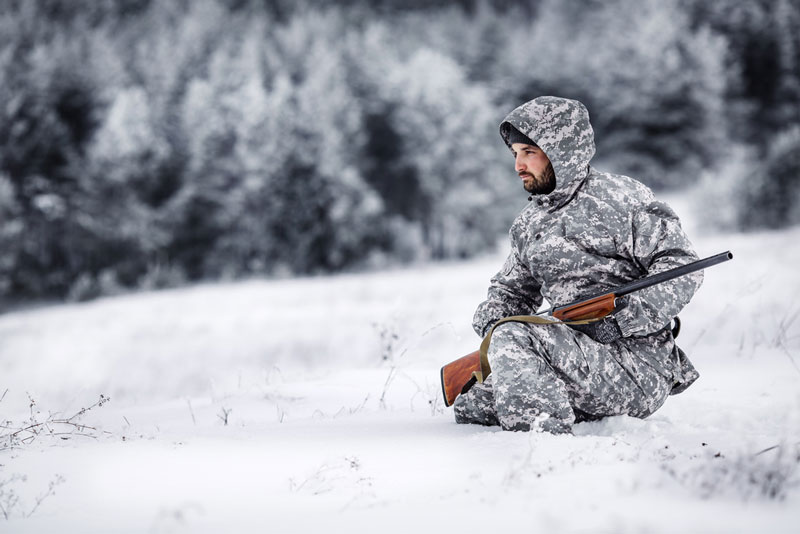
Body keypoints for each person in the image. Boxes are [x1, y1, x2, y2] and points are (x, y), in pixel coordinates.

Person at [453, 96, 703, 434]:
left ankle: (543, 447)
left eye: (529, 152)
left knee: (515, 350)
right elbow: (509, 293)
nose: (518, 166)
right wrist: (492, 324)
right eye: (515, 155)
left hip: (637, 365)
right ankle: (546, 414)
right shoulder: (529, 224)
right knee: (471, 404)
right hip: (575, 360)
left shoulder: (621, 198)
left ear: (561, 151)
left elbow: (681, 263)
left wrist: (626, 318)